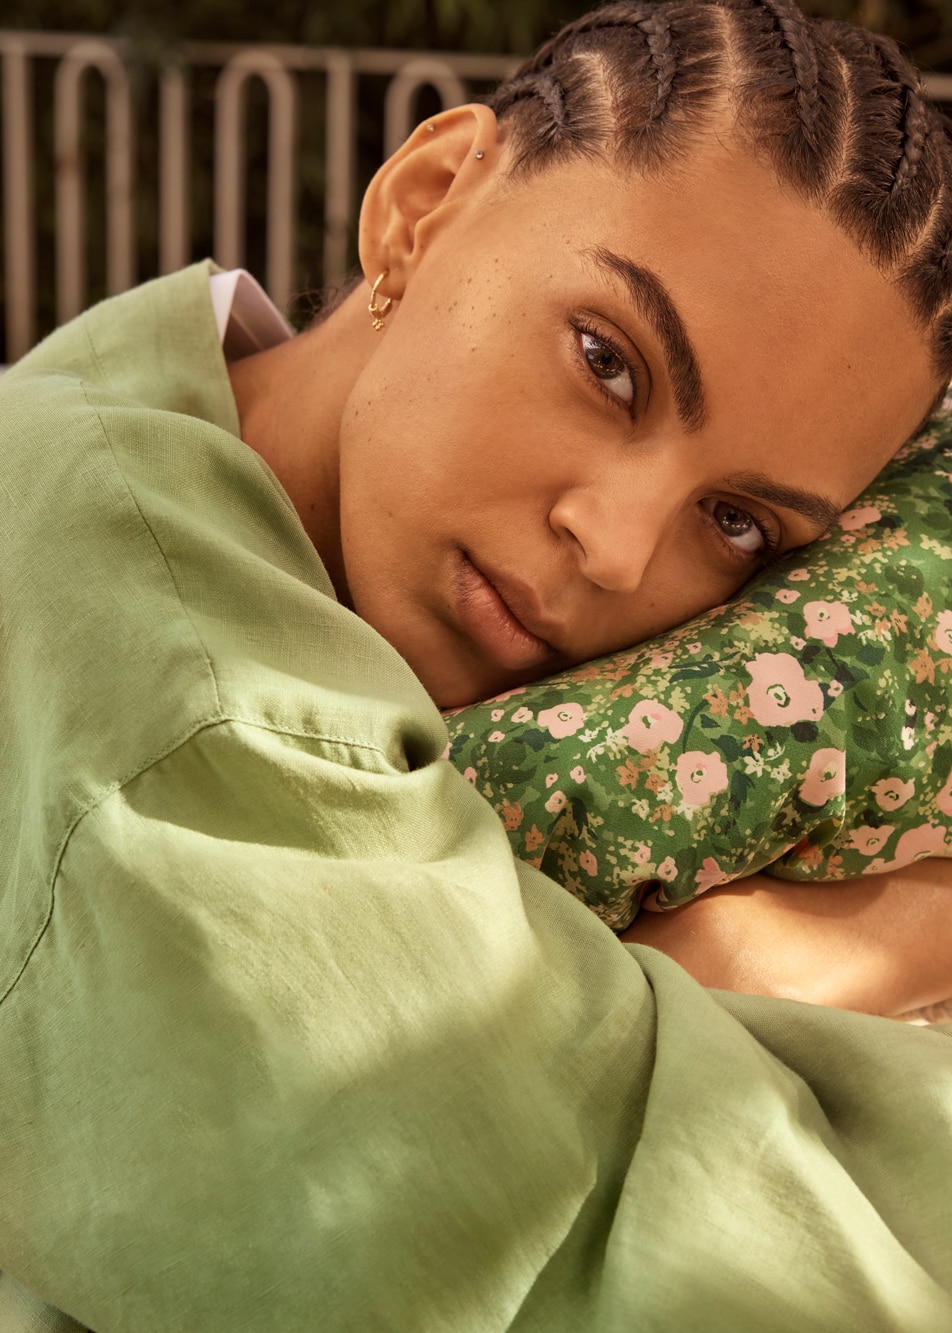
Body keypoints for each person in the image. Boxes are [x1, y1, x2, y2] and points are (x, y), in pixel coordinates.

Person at [1, 2, 951, 1329]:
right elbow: (723, 1272)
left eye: (737, 522)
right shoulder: (183, 697)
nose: (619, 552)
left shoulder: (149, 419)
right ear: (425, 200)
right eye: (608, 362)